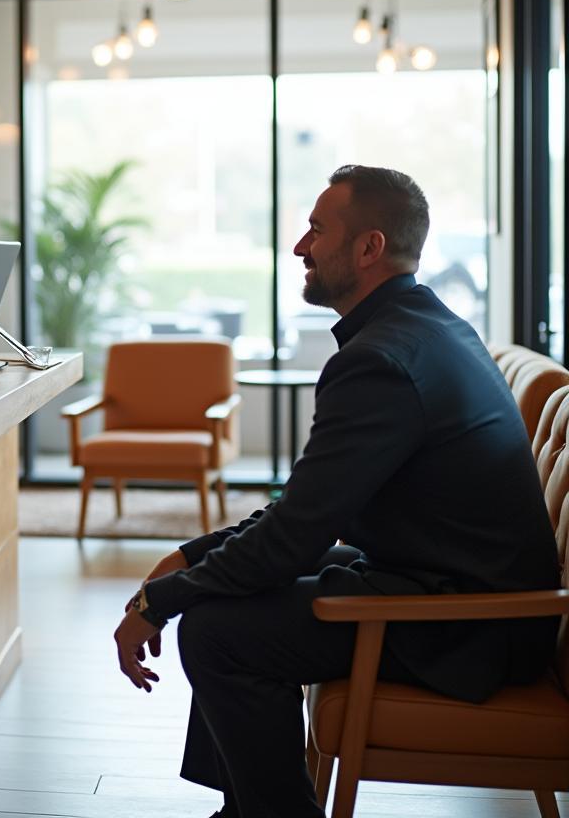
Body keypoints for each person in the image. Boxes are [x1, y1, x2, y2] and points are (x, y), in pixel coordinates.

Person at [113, 165, 560, 818]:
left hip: (470, 627)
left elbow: (296, 535)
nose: (300, 246)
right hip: (463, 591)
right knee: (227, 596)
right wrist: (192, 558)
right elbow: (308, 511)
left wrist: (162, 599)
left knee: (214, 632)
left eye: (317, 230)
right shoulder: (430, 327)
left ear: (368, 248)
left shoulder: (380, 360)